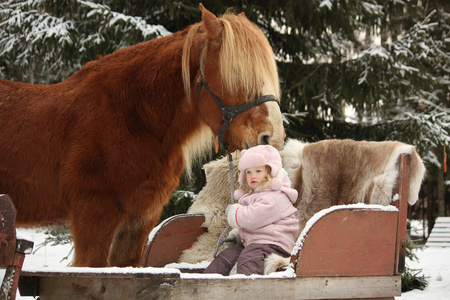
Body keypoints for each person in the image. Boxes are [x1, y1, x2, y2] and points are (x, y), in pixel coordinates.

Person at [204, 145, 299, 276]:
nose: (252, 176)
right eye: (248, 172)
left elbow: (253, 217)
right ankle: (207, 282)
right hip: (256, 244)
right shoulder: (256, 194)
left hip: (274, 244)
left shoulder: (275, 196)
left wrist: (234, 212)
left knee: (248, 258)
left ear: (271, 172)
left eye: (258, 171)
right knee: (227, 256)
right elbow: (257, 225)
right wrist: (238, 234)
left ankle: (246, 289)